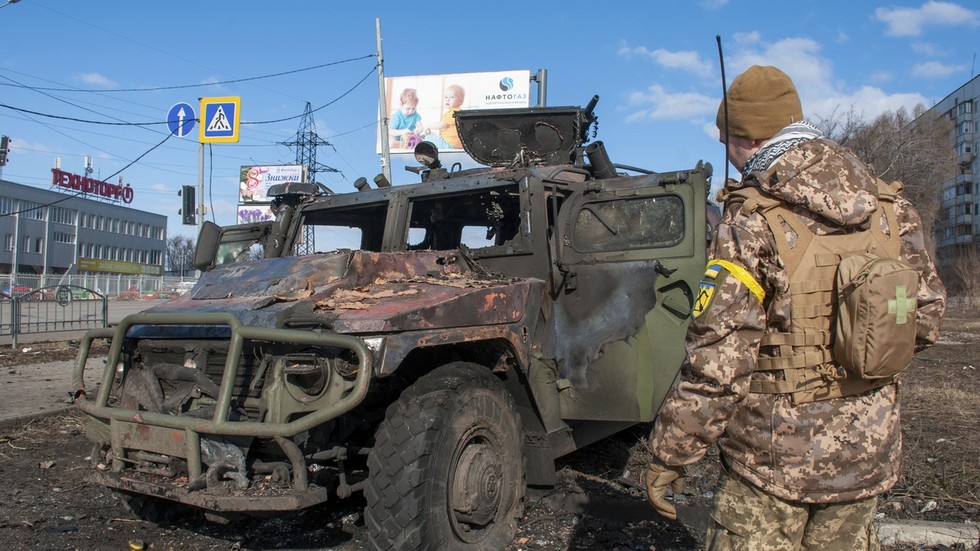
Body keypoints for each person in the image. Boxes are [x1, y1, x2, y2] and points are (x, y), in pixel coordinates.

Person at [645, 65, 946, 550]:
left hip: (770, 464)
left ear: (746, 138)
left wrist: (672, 453)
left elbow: (719, 362)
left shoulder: (752, 219)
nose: (727, 152)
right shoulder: (891, 208)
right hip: (867, 454)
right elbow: (926, 319)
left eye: (726, 139)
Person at [426, 84, 465, 149]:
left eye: (452, 97)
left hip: (450, 144)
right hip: (459, 145)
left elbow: (442, 125)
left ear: (460, 101)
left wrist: (427, 126)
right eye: (446, 97)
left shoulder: (452, 112)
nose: (448, 99)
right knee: (434, 136)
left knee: (427, 138)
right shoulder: (460, 112)